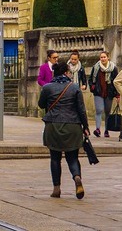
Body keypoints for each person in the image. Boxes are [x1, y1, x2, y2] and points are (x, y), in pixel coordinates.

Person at [38, 60, 90, 199]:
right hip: (73, 126)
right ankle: (77, 177)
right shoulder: (74, 88)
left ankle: (56, 188)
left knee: (55, 158)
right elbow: (81, 110)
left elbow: (41, 104)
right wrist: (85, 127)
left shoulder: (48, 87)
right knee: (72, 157)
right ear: (66, 73)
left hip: (53, 125)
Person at [88, 51, 118, 138]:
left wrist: (117, 94)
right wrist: (92, 87)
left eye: (104, 57)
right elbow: (90, 79)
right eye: (101, 57)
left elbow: (116, 82)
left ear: (108, 58)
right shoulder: (96, 67)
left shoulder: (113, 68)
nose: (103, 59)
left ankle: (106, 130)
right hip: (98, 92)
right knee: (99, 110)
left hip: (109, 93)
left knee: (107, 112)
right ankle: (97, 129)